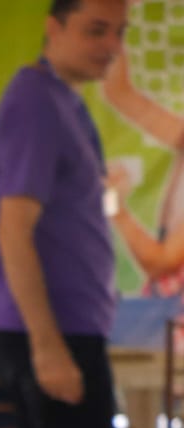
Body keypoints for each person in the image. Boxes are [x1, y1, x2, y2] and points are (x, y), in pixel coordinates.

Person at [0, 0, 128, 428]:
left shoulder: (64, 101)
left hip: (68, 328)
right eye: (96, 30)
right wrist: (47, 348)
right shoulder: (35, 102)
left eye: (119, 33)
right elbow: (13, 230)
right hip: (49, 333)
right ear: (53, 28)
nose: (111, 46)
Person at [102, 49, 184, 351]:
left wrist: (116, 207)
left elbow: (159, 263)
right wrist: (116, 23)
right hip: (161, 320)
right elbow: (119, 93)